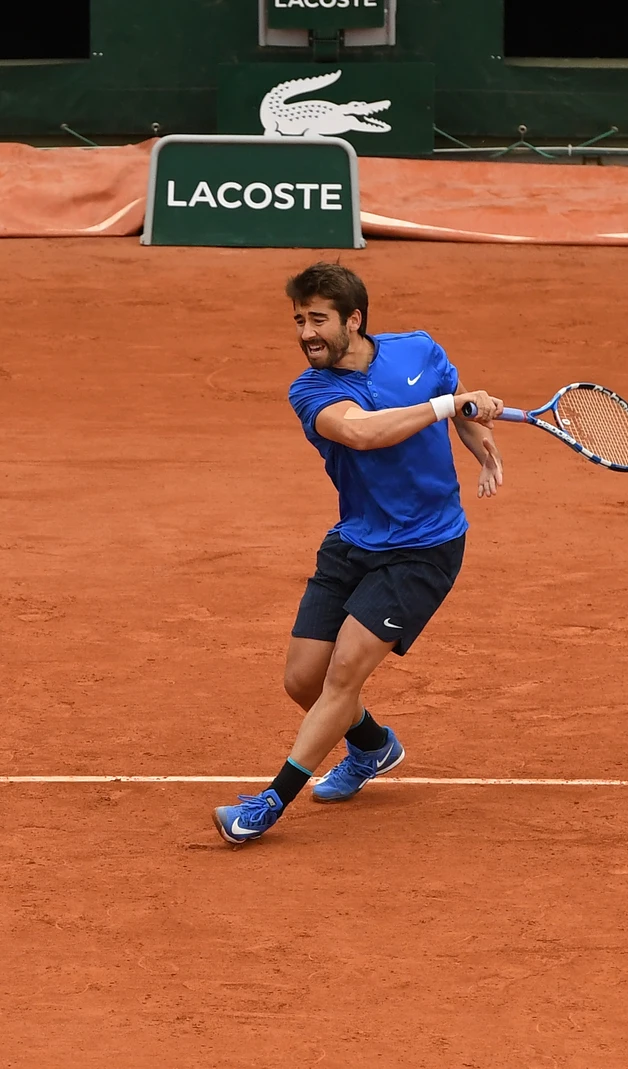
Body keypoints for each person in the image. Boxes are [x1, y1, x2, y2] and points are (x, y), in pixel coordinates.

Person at [213, 262, 505, 845]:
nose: (305, 333)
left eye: (317, 319)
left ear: (353, 320)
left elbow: (457, 401)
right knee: (303, 682)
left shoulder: (419, 350)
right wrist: (450, 408)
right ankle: (373, 746)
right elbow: (366, 432)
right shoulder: (311, 389)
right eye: (298, 320)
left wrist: (483, 445)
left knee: (343, 675)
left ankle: (269, 804)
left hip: (425, 547)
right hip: (355, 539)